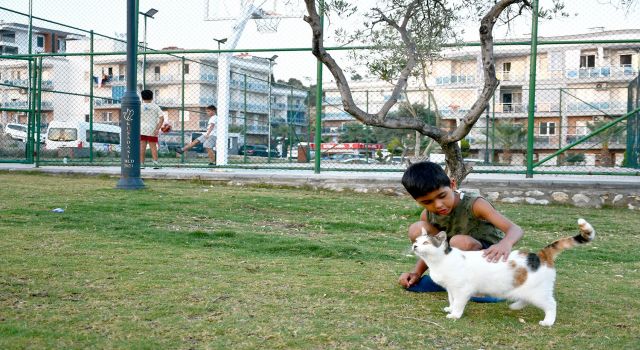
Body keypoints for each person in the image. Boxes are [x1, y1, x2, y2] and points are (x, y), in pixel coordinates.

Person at [398, 161, 524, 302]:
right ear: (418, 201)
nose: (438, 205)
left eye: (442, 196)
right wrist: (416, 273)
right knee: (417, 229)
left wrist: (505, 244)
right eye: (427, 202)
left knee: (460, 242)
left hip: (488, 259)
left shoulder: (475, 204)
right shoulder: (427, 215)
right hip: (456, 260)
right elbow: (432, 248)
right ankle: (448, 280)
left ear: (453, 185)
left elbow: (515, 229)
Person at [139, 89, 164, 169]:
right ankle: (155, 163)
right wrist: (157, 128)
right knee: (153, 146)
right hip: (152, 129)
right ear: (152, 97)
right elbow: (162, 118)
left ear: (142, 98)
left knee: (142, 147)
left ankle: (141, 164)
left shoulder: (140, 107)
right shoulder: (155, 106)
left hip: (142, 129)